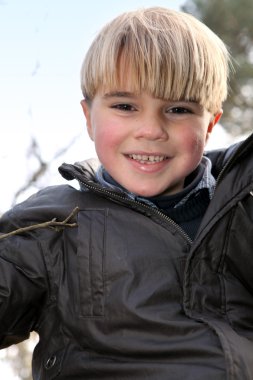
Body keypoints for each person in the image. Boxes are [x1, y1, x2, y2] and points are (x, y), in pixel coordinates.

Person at [0, 6, 253, 380]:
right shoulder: (52, 226)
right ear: (89, 117)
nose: (151, 129)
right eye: (125, 106)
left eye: (179, 109)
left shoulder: (241, 213)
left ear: (211, 123)